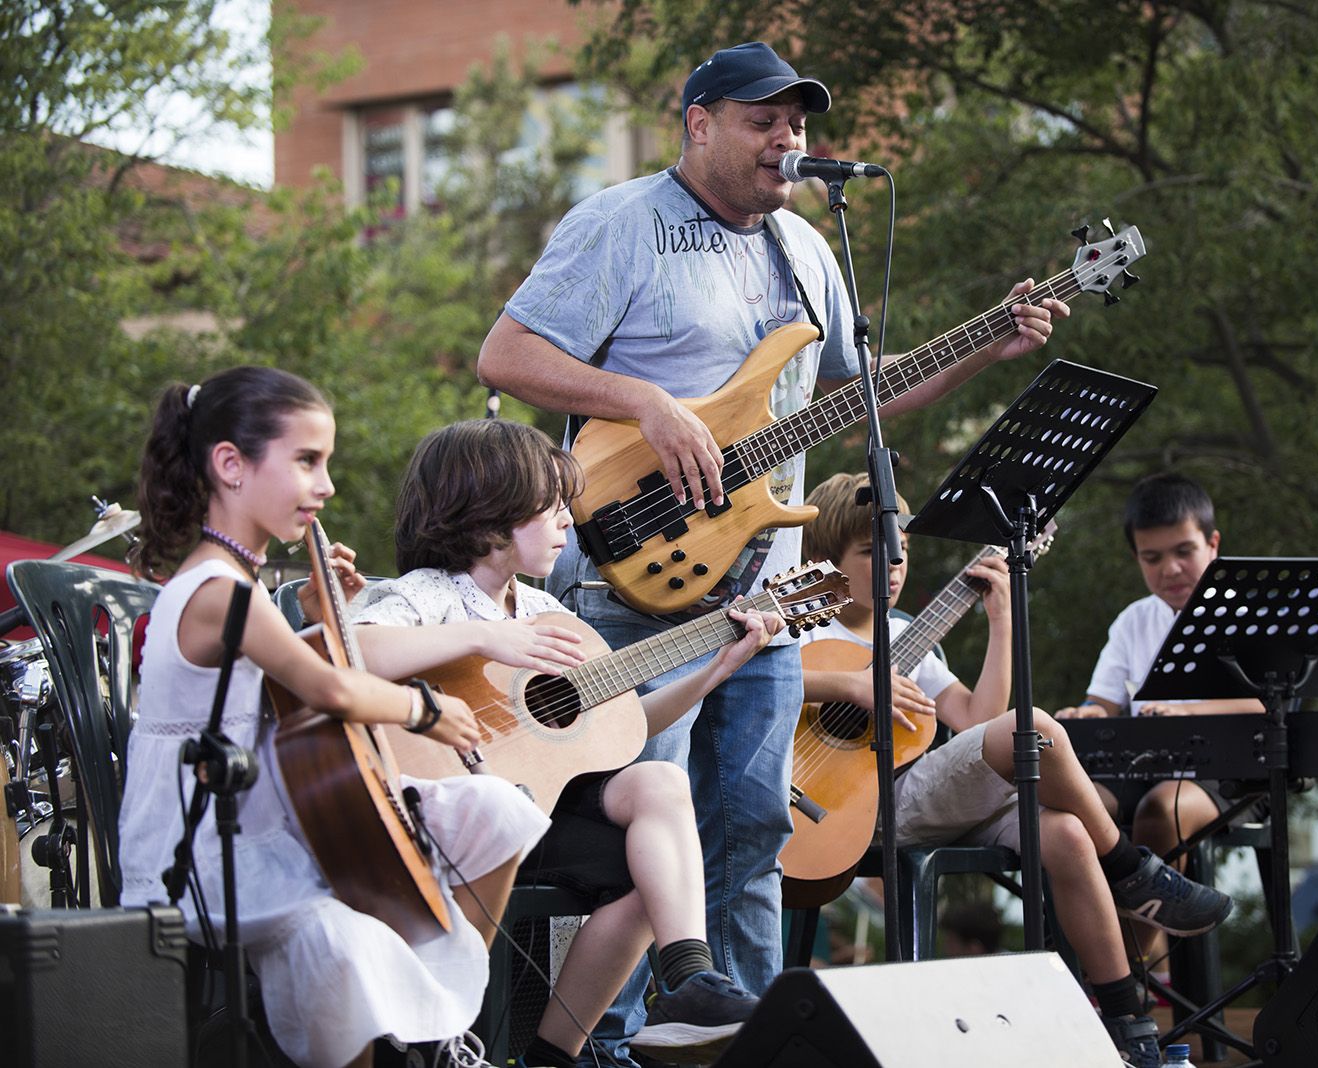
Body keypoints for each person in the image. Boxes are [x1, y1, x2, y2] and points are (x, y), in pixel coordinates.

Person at [475, 39, 1070, 1060]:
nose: (786, 138)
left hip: (763, 593)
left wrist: (984, 348)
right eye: (763, 120)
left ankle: (741, 1040)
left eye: (796, 122)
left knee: (754, 824)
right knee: (638, 836)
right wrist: (646, 403)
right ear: (698, 123)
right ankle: (610, 1045)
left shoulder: (805, 247)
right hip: (630, 578)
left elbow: (857, 393)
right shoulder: (621, 222)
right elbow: (506, 355)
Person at [118, 366, 545, 1068]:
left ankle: (436, 1034)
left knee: (496, 812)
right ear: (231, 465)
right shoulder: (221, 589)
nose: (326, 486)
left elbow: (279, 689)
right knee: (345, 942)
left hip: (264, 811)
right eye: (307, 462)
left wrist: (326, 618)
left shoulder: (240, 583)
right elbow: (329, 692)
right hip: (200, 848)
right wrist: (425, 707)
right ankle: (396, 1036)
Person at [346, 419, 782, 1067]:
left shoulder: (548, 616)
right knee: (647, 838)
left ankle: (669, 989)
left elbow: (625, 724)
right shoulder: (428, 594)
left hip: (532, 816)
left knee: (656, 807)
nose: (567, 522)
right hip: (440, 818)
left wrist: (715, 670)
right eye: (550, 506)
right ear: (489, 511)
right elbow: (350, 651)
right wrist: (483, 638)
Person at [799, 472, 1233, 1067]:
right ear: (826, 561)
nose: (893, 567)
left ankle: (1127, 1024)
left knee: (1066, 833)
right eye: (873, 553)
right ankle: (1130, 869)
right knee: (1034, 726)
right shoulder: (805, 631)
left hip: (923, 799)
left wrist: (1000, 621)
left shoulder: (907, 636)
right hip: (851, 807)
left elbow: (979, 721)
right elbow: (760, 688)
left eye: (900, 552)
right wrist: (848, 685)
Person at [1056, 472, 1263, 971]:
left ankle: (1125, 970)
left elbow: (1263, 706)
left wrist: (1186, 711)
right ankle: (1074, 956)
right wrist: (1086, 713)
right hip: (1143, 767)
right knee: (1070, 811)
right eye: (1152, 558)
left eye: (1184, 551)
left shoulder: (1241, 613)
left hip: (1227, 774)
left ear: (1213, 544)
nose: (1170, 569)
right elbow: (1103, 702)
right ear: (1137, 559)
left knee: (1160, 809)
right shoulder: (1134, 620)